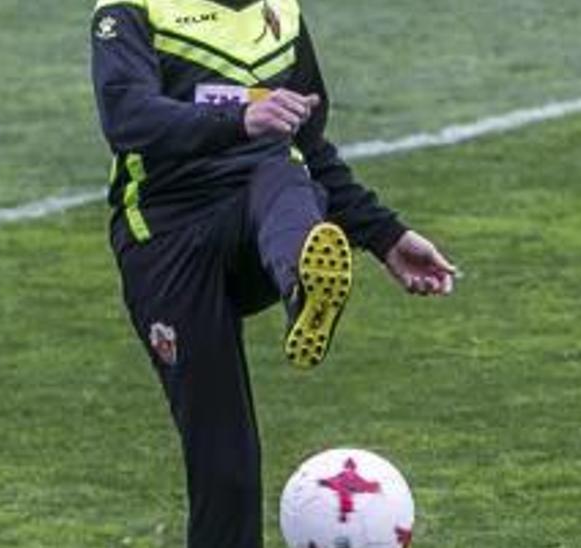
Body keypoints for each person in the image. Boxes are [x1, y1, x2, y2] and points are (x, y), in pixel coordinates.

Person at [90, 0, 456, 545]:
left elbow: (311, 146)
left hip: (261, 230)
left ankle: (303, 284)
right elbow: (127, 116)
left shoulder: (281, 12)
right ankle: (302, 273)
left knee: (285, 167)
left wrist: (386, 236)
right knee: (226, 463)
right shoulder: (132, 9)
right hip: (164, 243)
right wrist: (238, 118)